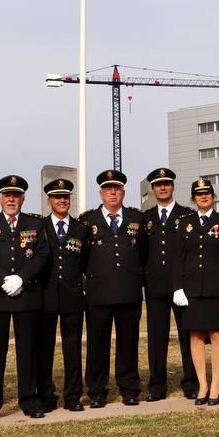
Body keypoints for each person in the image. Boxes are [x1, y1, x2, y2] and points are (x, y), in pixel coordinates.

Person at [0, 174, 50, 421]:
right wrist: (3, 280)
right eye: (7, 195)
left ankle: (29, 399)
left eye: (16, 195)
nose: (11, 199)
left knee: (27, 351)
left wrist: (22, 278)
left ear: (23, 198)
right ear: (0, 198)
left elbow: (41, 255)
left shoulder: (36, 224)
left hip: (26, 296)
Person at [79, 169, 148, 407]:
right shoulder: (87, 221)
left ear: (123, 192)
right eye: (108, 189)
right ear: (100, 193)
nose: (112, 193)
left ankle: (129, 388)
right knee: (97, 344)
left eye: (117, 189)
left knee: (128, 342)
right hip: (98, 293)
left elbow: (144, 254)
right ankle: (97, 391)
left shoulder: (137, 219)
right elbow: (82, 257)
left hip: (129, 291)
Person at [174, 179, 219, 406]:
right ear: (193, 198)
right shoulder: (185, 223)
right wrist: (177, 287)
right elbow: (178, 258)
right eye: (199, 194)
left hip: (217, 289)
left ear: (213, 195)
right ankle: (202, 384)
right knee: (196, 336)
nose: (203, 197)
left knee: (218, 335)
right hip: (191, 289)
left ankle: (216, 385)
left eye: (207, 193)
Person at [141, 167, 198, 401]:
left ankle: (191, 382)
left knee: (188, 335)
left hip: (182, 288)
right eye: (158, 184)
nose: (162, 187)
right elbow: (141, 253)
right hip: (155, 288)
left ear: (173, 187)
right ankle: (157, 385)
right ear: (153, 189)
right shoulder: (145, 219)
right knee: (157, 338)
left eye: (166, 183)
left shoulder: (187, 216)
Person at [37, 178, 85, 412]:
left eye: (65, 196)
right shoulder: (38, 227)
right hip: (45, 296)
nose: (62, 200)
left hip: (72, 296)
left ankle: (73, 395)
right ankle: (46, 395)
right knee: (44, 348)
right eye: (57, 197)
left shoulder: (81, 229)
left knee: (72, 348)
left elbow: (85, 263)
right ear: (49, 201)